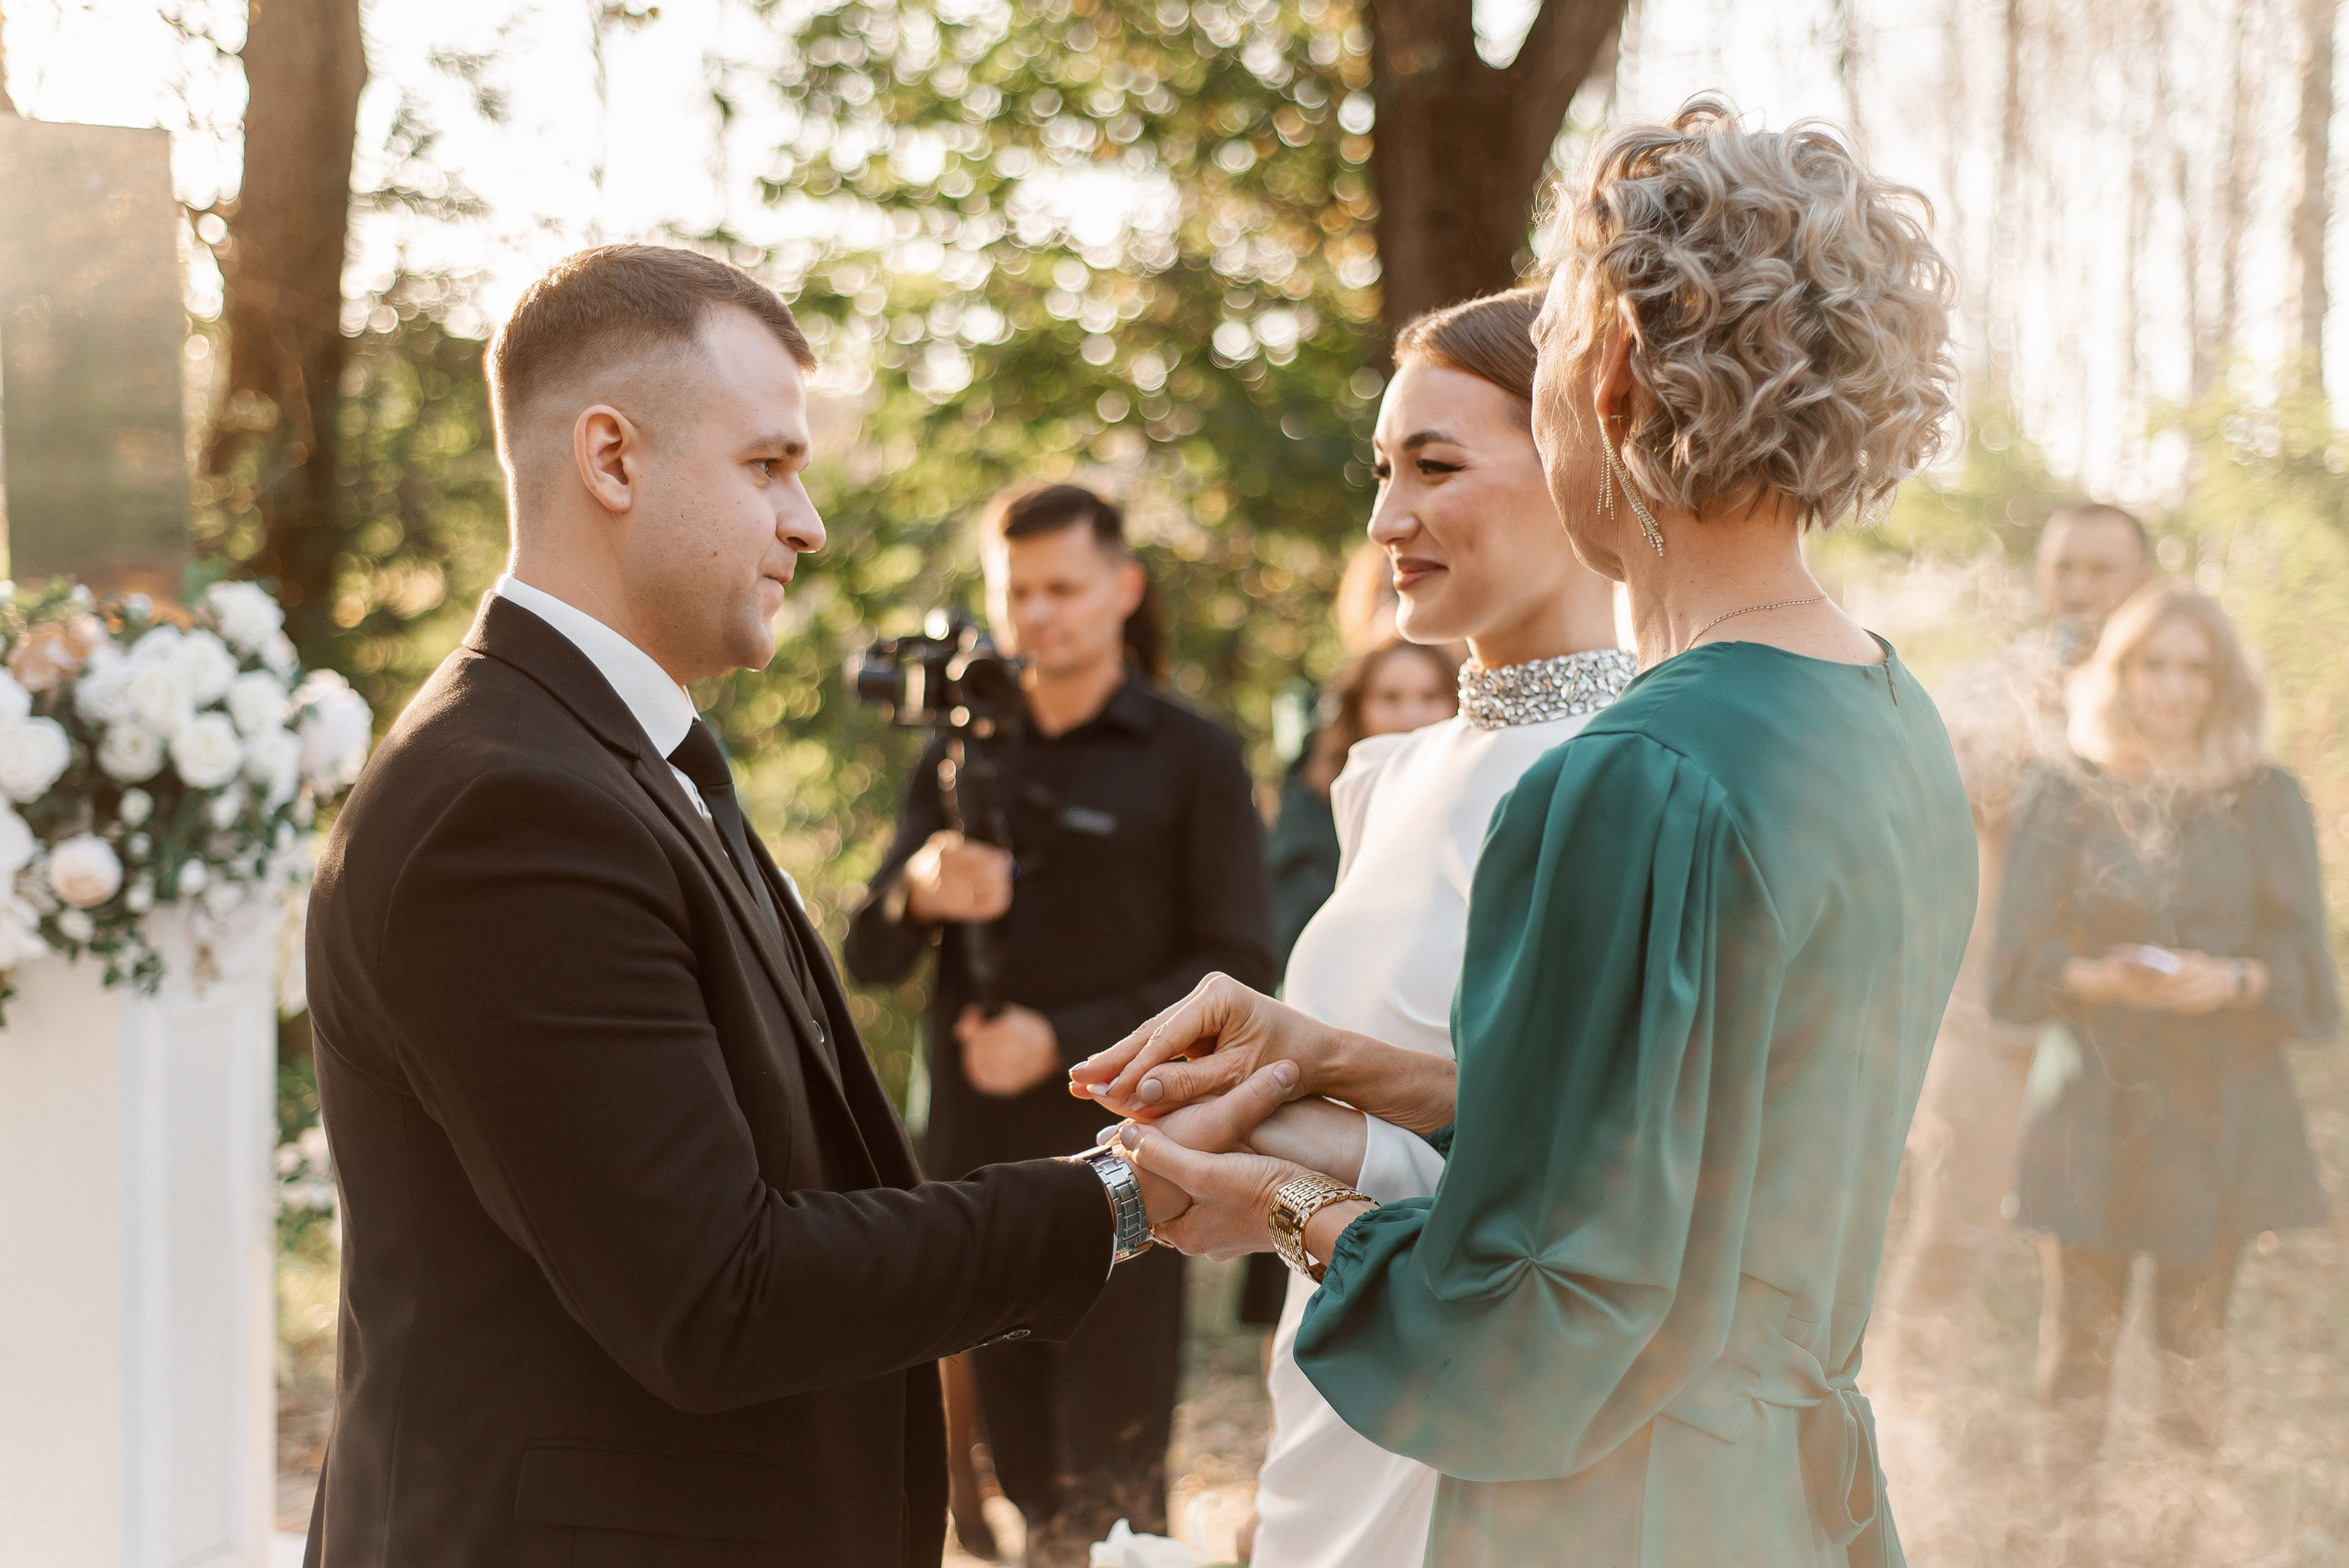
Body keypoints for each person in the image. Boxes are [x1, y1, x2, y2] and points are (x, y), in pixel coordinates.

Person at [1074, 100, 1976, 1566]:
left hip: (1612, 1513)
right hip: (1779, 1502)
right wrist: (1349, 1062)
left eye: (1551, 346)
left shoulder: (1632, 777)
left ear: (1612, 371)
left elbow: (1537, 1338)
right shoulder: (1888, 720)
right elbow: (1686, 1151)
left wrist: (1281, 1204)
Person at [302, 245, 1184, 1568]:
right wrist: (1126, 1197)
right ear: (612, 460)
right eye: (769, 466)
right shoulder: (508, 807)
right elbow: (721, 1291)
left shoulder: (607, 755)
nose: (809, 521)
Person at [1252, 286, 1636, 1568]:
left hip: (1482, 1423)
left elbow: (1595, 1172)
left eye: (1436, 465)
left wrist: (1279, 1140)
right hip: (1326, 1373)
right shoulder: (1387, 776)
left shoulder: (1623, 777)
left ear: (1584, 459)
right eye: (1380, 469)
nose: (1385, 519)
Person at [842, 482, 1275, 1567]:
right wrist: (919, 893)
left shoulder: (1192, 755)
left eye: (1064, 588)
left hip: (1141, 1160)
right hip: (977, 1168)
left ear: (1123, 588)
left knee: (1113, 1486)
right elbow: (865, 955)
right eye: (1017, 591)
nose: (1040, 616)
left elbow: (1241, 970)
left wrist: (1064, 1033)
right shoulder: (957, 748)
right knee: (1027, 1476)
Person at [1987, 585, 2335, 1537]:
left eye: (2195, 667)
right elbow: (2012, 974)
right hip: (2090, 1107)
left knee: (2192, 1353)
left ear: (2222, 681)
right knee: (2074, 1359)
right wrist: (2097, 977)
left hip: (2216, 1110)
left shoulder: (2264, 797)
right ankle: (2064, 1543)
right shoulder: (2063, 789)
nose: (2174, 687)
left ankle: (2173, 1545)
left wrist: (2229, 979)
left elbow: (2311, 983)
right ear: (2119, 671)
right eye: (2155, 664)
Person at [1883, 504, 2154, 1323]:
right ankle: (1901, 1424)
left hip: (2125, 1016)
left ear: (2141, 578)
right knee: (1950, 1234)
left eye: (2102, 570)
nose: (2080, 588)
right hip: (1989, 1002)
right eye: (2064, 567)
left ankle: (2071, 1442)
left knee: (2100, 1250)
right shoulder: (1993, 684)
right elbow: (1933, 812)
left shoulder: (2174, 684)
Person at [1266, 639, 1461, 973]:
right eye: (1390, 698)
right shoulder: (1314, 802)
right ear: (1359, 708)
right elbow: (1298, 925)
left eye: (1431, 697)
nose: (1412, 716)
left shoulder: (1478, 793)